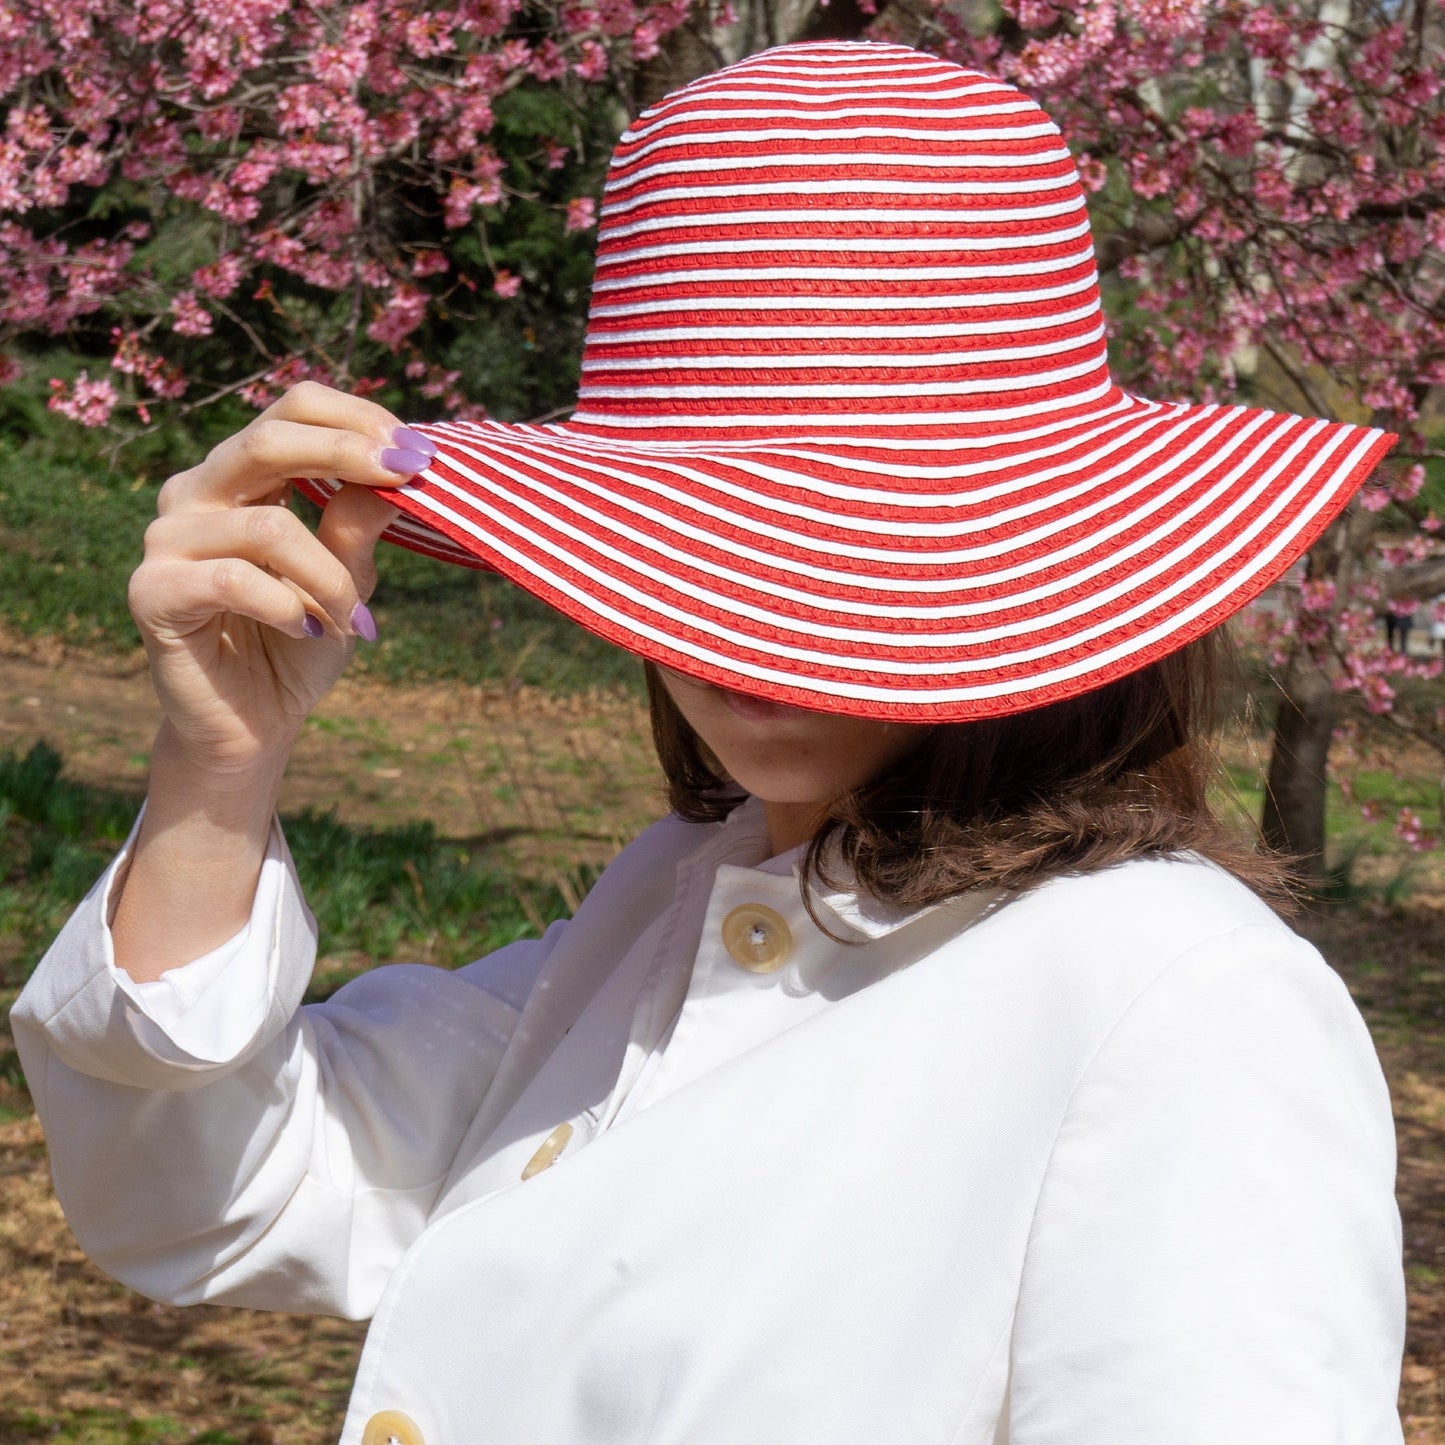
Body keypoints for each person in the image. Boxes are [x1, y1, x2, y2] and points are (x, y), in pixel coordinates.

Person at [12, 39, 1405, 1445]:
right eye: (696, 545)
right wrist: (222, 769)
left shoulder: (1173, 1004)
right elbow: (201, 1193)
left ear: (1039, 557)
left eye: (867, 546)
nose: (760, 625)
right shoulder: (662, 920)